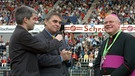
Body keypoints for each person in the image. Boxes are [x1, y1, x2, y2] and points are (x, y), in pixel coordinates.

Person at [9, 6, 63, 76]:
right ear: (25, 20)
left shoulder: (20, 33)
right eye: (33, 19)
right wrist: (57, 40)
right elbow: (44, 48)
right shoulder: (22, 34)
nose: (35, 22)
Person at [35, 12, 72, 76]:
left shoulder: (61, 38)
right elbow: (39, 60)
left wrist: (68, 59)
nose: (58, 24)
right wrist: (61, 58)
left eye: (60, 23)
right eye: (55, 21)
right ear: (46, 22)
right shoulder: (37, 38)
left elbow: (69, 59)